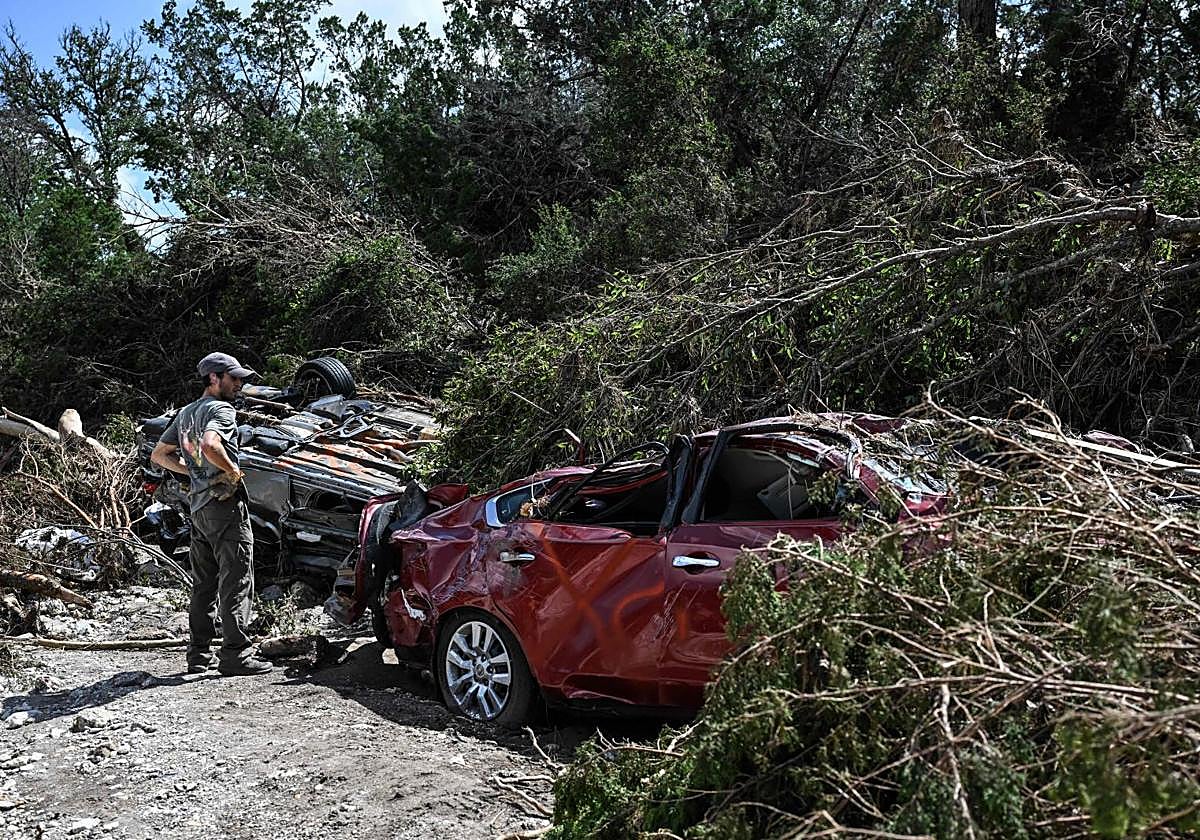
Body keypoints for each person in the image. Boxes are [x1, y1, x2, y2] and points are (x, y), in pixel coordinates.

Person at [151, 352, 273, 677]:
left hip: (199, 510)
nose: (239, 384)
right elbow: (209, 445)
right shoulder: (221, 409)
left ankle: (198, 656)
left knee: (204, 584)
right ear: (214, 378)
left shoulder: (185, 413)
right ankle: (236, 654)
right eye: (233, 378)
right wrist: (234, 472)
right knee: (236, 579)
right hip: (224, 508)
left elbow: (159, 455)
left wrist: (192, 476)